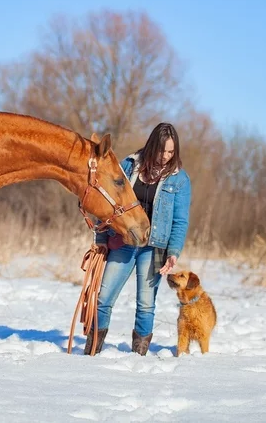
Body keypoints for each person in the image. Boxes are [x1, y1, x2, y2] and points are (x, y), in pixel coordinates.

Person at [85, 122, 192, 356]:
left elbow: (180, 221)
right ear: (152, 145)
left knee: (145, 304)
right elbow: (106, 201)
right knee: (103, 298)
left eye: (171, 152)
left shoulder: (180, 180)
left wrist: (173, 252)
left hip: (154, 248)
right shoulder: (129, 165)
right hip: (123, 241)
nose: (165, 156)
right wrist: (101, 236)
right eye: (162, 150)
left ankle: (138, 356)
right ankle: (92, 350)